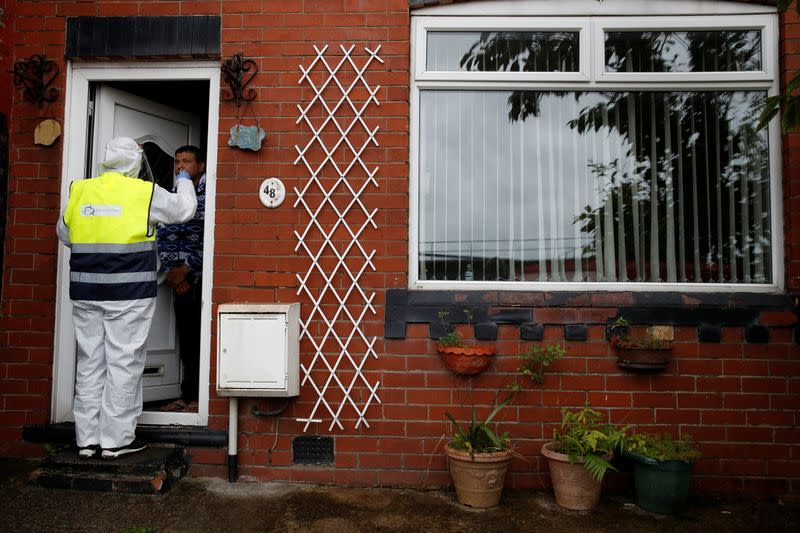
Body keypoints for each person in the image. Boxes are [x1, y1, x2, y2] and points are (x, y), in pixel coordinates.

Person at [57, 137, 197, 460]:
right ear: (136, 163)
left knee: (90, 364)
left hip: (87, 293)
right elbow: (185, 210)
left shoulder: (81, 190)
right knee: (123, 363)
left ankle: (86, 440)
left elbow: (65, 234)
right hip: (128, 295)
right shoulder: (143, 192)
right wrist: (184, 180)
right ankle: (115, 441)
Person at [157, 145, 206, 413]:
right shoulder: (171, 194)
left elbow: (210, 235)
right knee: (186, 339)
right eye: (177, 162)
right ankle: (186, 396)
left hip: (200, 279)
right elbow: (161, 231)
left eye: (187, 161)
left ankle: (199, 397)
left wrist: (186, 269)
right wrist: (171, 273)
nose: (180, 167)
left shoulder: (210, 192)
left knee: (201, 339)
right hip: (180, 281)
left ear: (200, 166)